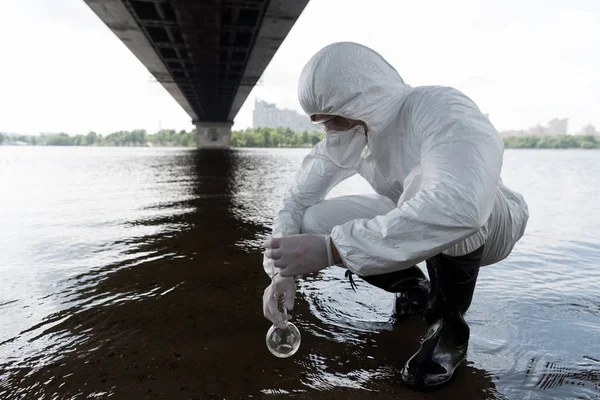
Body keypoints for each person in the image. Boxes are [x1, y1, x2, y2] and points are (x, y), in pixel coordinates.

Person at [262, 42, 529, 389]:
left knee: (428, 190)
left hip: (490, 224)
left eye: (333, 117)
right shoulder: (350, 131)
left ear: (363, 99)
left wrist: (333, 250)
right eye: (320, 121)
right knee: (312, 222)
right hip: (418, 210)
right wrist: (282, 273)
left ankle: (447, 331)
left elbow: (461, 204)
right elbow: (294, 201)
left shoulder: (440, 108)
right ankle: (413, 287)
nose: (328, 129)